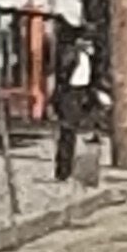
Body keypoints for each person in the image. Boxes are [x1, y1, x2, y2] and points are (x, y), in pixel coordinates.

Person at [53, 39, 96, 182]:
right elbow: (63, 76)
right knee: (67, 131)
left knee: (76, 131)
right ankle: (63, 170)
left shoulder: (88, 58)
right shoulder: (72, 56)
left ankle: (70, 168)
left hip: (81, 93)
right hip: (70, 94)